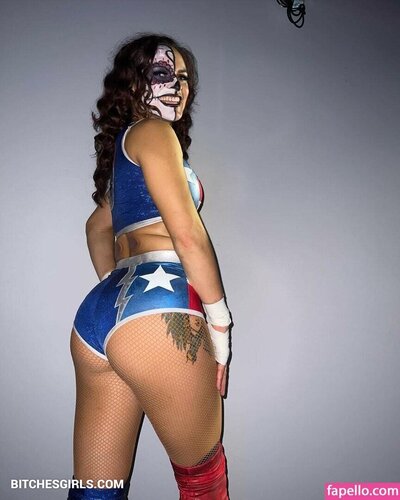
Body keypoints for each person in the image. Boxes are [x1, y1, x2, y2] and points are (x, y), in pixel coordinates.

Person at [67, 33, 232, 500]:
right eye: (163, 73)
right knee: (203, 486)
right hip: (160, 304)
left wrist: (117, 287)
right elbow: (188, 236)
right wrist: (221, 326)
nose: (177, 86)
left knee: (95, 493)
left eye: (183, 77)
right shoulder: (155, 133)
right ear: (133, 82)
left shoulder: (126, 155)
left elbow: (95, 227)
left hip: (98, 317)